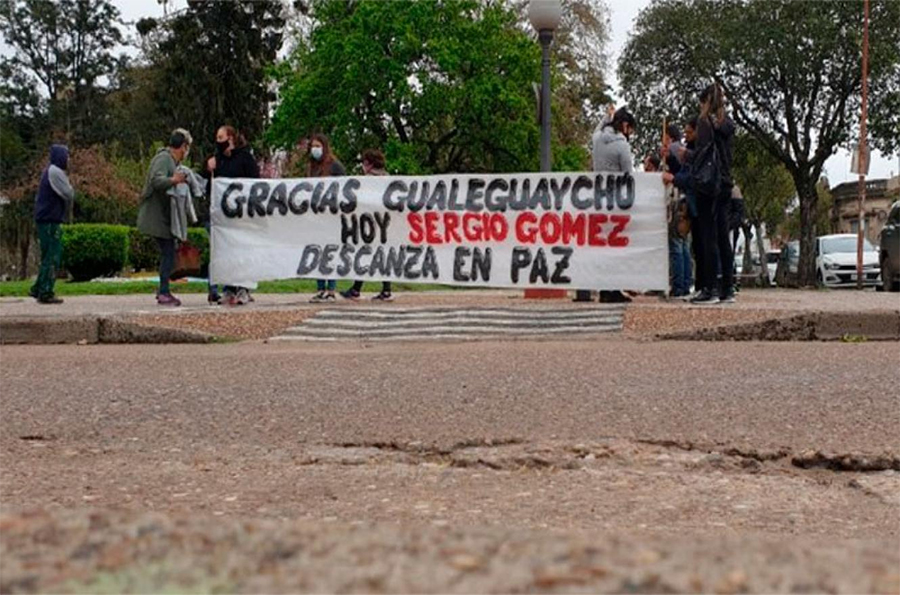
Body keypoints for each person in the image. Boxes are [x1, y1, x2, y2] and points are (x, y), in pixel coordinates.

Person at [683, 83, 736, 305]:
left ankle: (709, 287)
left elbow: (702, 157)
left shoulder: (705, 123)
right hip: (725, 183)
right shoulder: (728, 124)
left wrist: (685, 153)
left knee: (707, 236)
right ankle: (728, 288)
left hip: (708, 185)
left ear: (705, 102)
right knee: (723, 236)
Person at [587, 106, 636, 304]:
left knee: (602, 246)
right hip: (616, 201)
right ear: (625, 126)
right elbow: (628, 174)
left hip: (598, 199)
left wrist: (608, 116)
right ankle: (613, 288)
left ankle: (604, 288)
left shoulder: (597, 139)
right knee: (615, 246)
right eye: (631, 129)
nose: (631, 133)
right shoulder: (622, 146)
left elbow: (597, 128)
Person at [206, 125, 261, 306]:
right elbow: (210, 189)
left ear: (230, 138)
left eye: (221, 137)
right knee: (226, 253)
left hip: (242, 215)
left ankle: (243, 288)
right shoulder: (217, 161)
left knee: (242, 252)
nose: (218, 141)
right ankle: (228, 288)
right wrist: (209, 170)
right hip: (224, 218)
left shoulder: (245, 158)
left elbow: (256, 184)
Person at [137, 130, 190, 306]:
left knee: (169, 251)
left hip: (164, 218)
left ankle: (164, 290)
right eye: (186, 147)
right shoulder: (164, 159)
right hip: (156, 217)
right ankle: (164, 292)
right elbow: (156, 181)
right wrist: (174, 180)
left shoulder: (172, 161)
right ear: (183, 146)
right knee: (168, 252)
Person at [340, 149, 394, 302]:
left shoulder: (368, 180)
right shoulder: (388, 177)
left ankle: (357, 290)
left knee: (365, 254)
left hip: (370, 222)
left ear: (368, 164)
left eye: (364, 163)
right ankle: (384, 290)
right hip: (385, 222)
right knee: (380, 255)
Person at [30, 144, 74, 304]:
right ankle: (46, 292)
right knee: (53, 256)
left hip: (45, 219)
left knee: (47, 255)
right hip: (50, 220)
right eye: (67, 156)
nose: (69, 160)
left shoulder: (50, 170)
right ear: (61, 156)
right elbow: (69, 193)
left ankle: (37, 288)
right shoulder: (56, 171)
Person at [306, 133, 346, 303]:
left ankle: (331, 289)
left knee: (330, 252)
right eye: (312, 146)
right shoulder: (312, 168)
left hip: (332, 216)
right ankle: (320, 287)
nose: (315, 149)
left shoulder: (335, 166)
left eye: (318, 146)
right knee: (317, 252)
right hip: (317, 216)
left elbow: (345, 187)